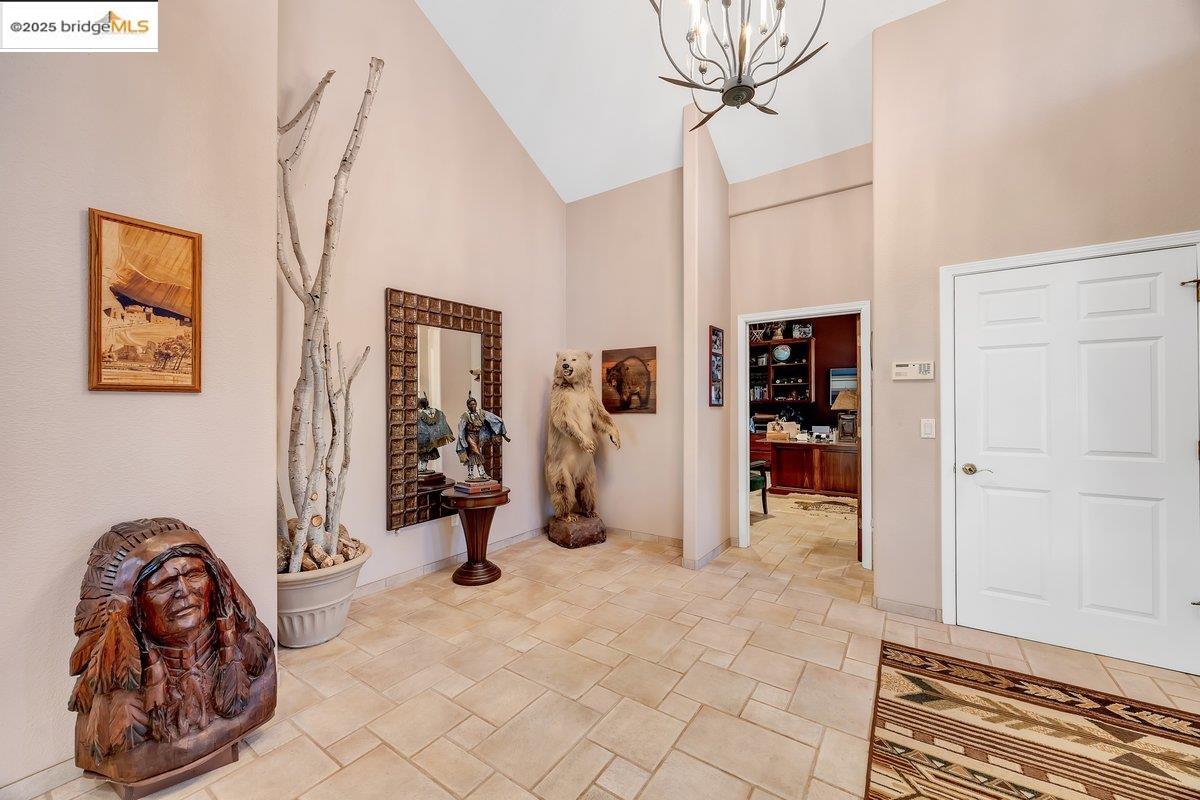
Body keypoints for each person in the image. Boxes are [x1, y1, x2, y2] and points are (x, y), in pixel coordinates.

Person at [456, 392, 509, 481]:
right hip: (469, 436)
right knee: (477, 453)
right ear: (468, 405)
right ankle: (482, 473)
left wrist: (501, 425)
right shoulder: (465, 415)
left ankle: (470, 474)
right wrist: (462, 441)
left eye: (474, 403)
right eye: (471, 404)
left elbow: (492, 417)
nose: (473, 405)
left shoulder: (480, 412)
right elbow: (461, 428)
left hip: (478, 436)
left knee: (472, 455)